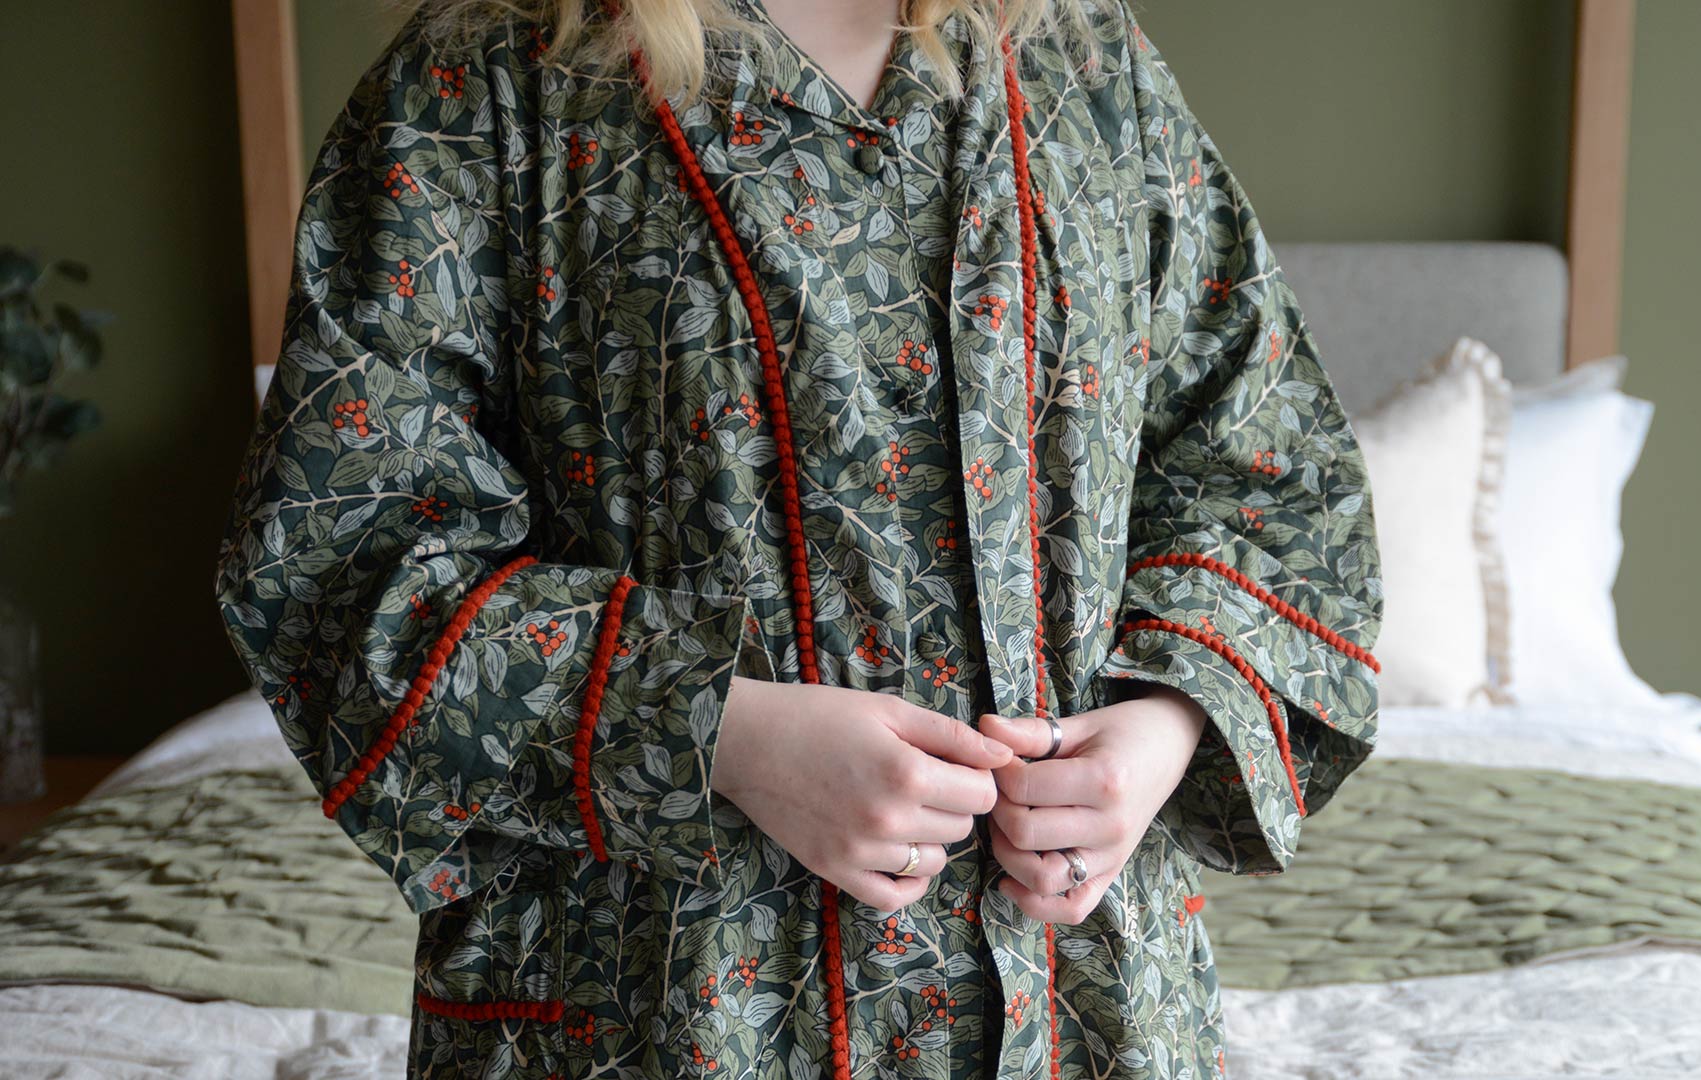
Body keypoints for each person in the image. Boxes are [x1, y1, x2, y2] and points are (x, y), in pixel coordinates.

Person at [212, 0, 1384, 1076]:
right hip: (659, 1016)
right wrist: (718, 730)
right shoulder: (487, 77)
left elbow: (1269, 476)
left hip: (1084, 1011)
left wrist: (1160, 729)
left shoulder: (1083, 57)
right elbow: (336, 558)